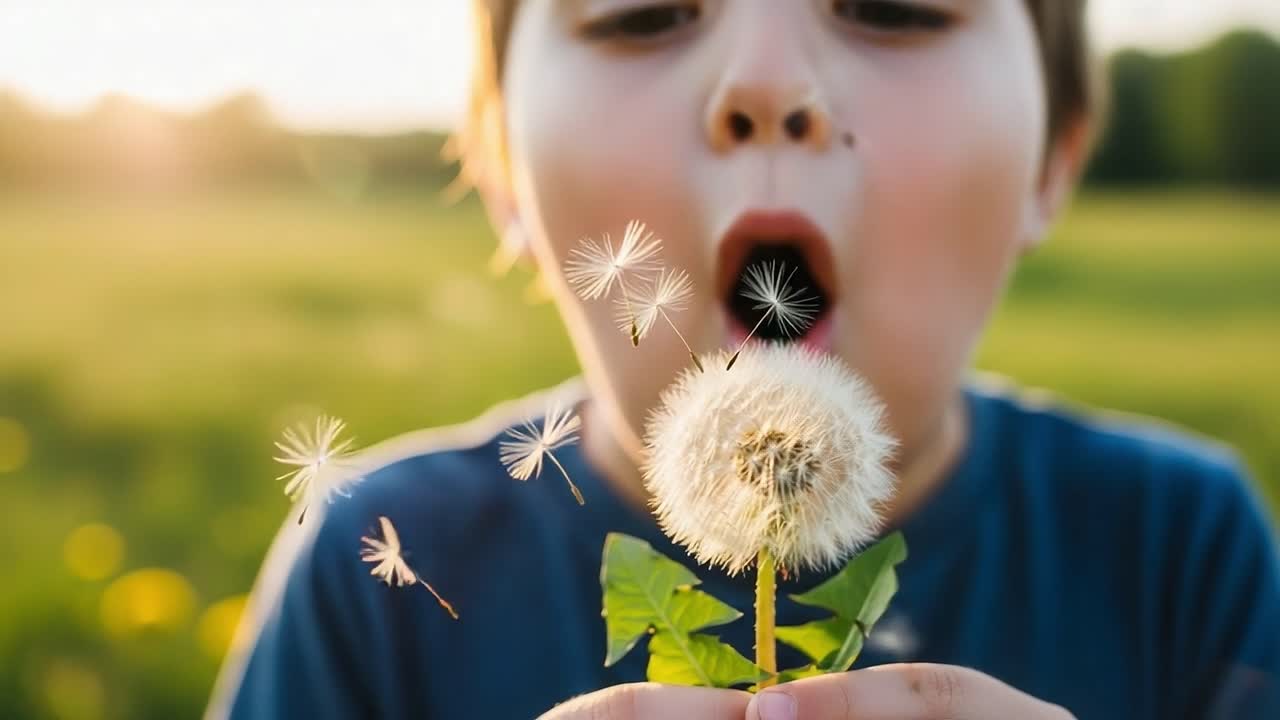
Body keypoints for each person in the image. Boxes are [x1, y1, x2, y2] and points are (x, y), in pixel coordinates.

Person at [208, 1, 1280, 718]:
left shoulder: (1184, 553)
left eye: (893, 5)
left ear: (1054, 154)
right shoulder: (378, 571)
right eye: (644, 11)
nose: (767, 84)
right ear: (501, 172)